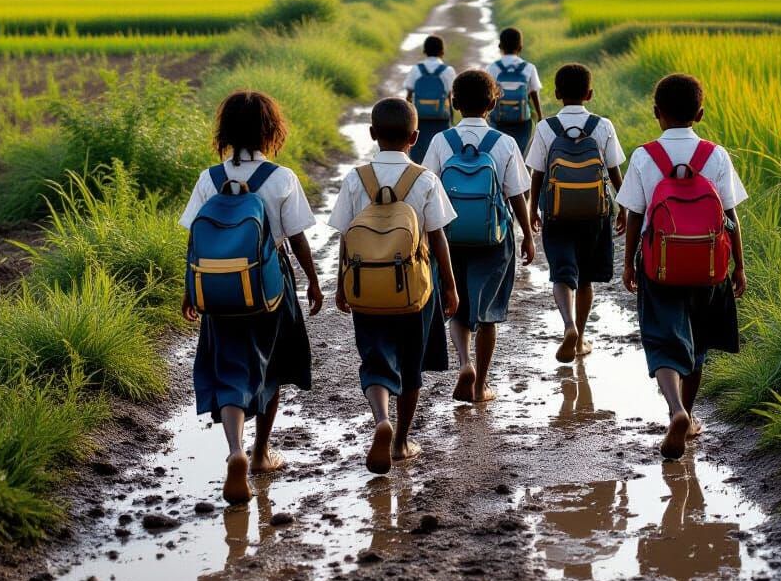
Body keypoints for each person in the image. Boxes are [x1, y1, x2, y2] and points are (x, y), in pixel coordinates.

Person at [180, 90, 323, 505]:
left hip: (219, 292)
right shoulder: (281, 178)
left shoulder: (209, 178)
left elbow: (194, 239)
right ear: (270, 131)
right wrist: (313, 280)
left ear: (225, 131)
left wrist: (188, 290)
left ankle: (234, 450)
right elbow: (296, 239)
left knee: (229, 370)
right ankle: (261, 453)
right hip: (270, 289)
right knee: (271, 367)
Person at [618, 73, 747, 460]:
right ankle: (688, 416)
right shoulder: (716, 155)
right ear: (701, 113)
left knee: (663, 340)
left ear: (657, 114)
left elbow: (636, 216)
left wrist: (629, 263)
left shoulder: (644, 156)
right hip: (709, 267)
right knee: (698, 342)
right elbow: (730, 216)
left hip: (659, 269)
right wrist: (739, 266)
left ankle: (674, 410)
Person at [329, 98, 459, 475]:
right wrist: (449, 287)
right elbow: (438, 239)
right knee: (411, 363)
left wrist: (341, 285)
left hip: (366, 289)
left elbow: (346, 238)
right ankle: (401, 440)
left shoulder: (356, 178)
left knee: (375, 359)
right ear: (415, 137)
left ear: (372, 135)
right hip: (416, 291)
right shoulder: (425, 179)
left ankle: (380, 418)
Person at [422, 69, 535, 403]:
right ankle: (481, 383)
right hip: (494, 238)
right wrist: (528, 235)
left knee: (458, 307)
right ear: (494, 102)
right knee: (488, 314)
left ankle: (464, 364)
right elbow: (517, 196)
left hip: (450, 235)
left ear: (454, 103)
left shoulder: (441, 141)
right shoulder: (505, 143)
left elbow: (429, 188)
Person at [526, 63, 627, 364]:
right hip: (595, 213)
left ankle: (567, 326)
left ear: (556, 94)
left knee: (561, 273)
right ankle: (580, 338)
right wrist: (622, 206)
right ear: (590, 93)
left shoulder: (546, 128)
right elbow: (613, 170)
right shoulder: (603, 126)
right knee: (585, 279)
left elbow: (537, 174)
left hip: (556, 212)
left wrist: (533, 209)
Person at [487, 27, 542, 155]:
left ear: (500, 46)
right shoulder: (529, 68)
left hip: (498, 121)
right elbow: (534, 94)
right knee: (521, 154)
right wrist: (539, 116)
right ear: (520, 47)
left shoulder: (493, 68)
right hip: (522, 122)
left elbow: (488, 94)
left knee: (500, 153)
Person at [404, 34, 456, 163]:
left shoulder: (416, 69)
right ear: (442, 52)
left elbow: (409, 95)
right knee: (440, 153)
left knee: (418, 153)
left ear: (424, 51)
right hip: (440, 118)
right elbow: (451, 96)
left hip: (419, 118)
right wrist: (451, 118)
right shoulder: (448, 70)